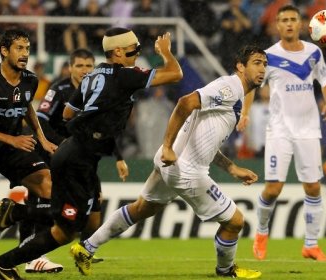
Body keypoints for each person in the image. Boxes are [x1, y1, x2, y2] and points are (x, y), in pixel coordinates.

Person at [0, 27, 183, 280]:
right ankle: (8, 251)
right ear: (118, 52)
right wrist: (166, 53)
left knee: (88, 223)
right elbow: (175, 74)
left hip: (80, 153)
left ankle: (15, 219)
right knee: (67, 227)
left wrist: (97, 116)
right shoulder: (125, 76)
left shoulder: (92, 75)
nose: (137, 54)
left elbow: (67, 113)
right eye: (134, 50)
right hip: (77, 157)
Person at [70, 45, 267, 279]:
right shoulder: (229, 87)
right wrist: (167, 146)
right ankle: (226, 271)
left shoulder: (233, 95)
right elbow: (185, 102)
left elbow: (204, 141)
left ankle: (86, 248)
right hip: (186, 171)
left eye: (265, 64)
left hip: (171, 163)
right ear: (240, 67)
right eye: (256, 62)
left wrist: (232, 167)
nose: (262, 69)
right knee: (235, 221)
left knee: (142, 208)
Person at [252, 5, 326, 262]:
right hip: (279, 130)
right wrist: (244, 113)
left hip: (309, 130)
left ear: (301, 24)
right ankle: (261, 233)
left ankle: (311, 244)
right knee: (273, 189)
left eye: (293, 19)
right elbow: (252, 84)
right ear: (277, 25)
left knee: (313, 187)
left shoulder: (314, 51)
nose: (288, 24)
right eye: (284, 20)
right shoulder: (268, 56)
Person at [18, 48, 102, 274]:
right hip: (49, 152)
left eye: (89, 66)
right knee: (40, 197)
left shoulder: (97, 91)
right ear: (70, 67)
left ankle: (84, 249)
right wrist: (64, 144)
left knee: (86, 206)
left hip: (79, 158)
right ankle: (31, 254)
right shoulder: (58, 90)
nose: (84, 70)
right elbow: (42, 121)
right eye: (80, 66)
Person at [0, 29, 57, 279]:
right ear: (4, 51)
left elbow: (27, 108)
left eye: (27, 49)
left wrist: (42, 139)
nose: (25, 54)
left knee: (47, 184)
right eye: (19, 48)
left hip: (11, 150)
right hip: (10, 142)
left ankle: (31, 254)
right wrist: (11, 137)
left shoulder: (30, 80)